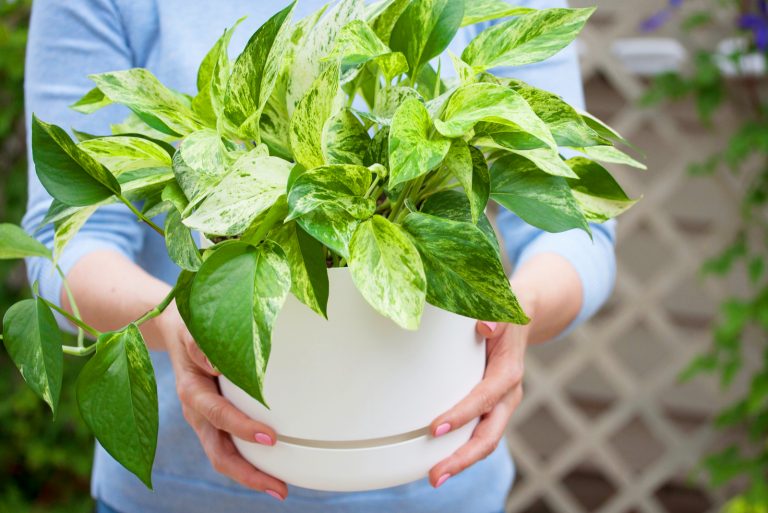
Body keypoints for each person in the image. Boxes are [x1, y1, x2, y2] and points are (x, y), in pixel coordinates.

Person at [22, 0, 616, 512]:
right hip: (180, 494)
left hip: (438, 481)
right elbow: (68, 241)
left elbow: (574, 233)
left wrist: (516, 314)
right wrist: (179, 325)